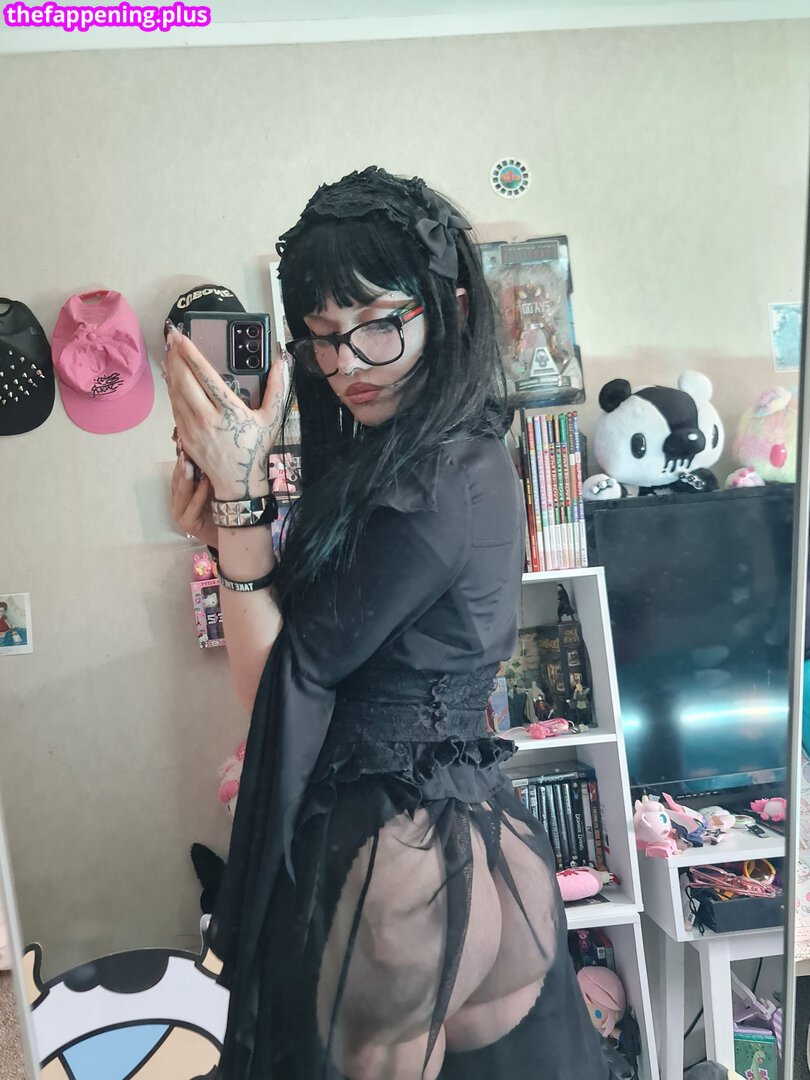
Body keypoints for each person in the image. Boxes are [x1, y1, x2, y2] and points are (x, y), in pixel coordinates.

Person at [165, 166, 607, 1080]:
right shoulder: (463, 456)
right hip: (487, 840)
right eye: (322, 336)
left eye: (377, 323)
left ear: (448, 307)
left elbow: (278, 686)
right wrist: (224, 526)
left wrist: (242, 515)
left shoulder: (427, 483)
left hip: (397, 864)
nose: (347, 364)